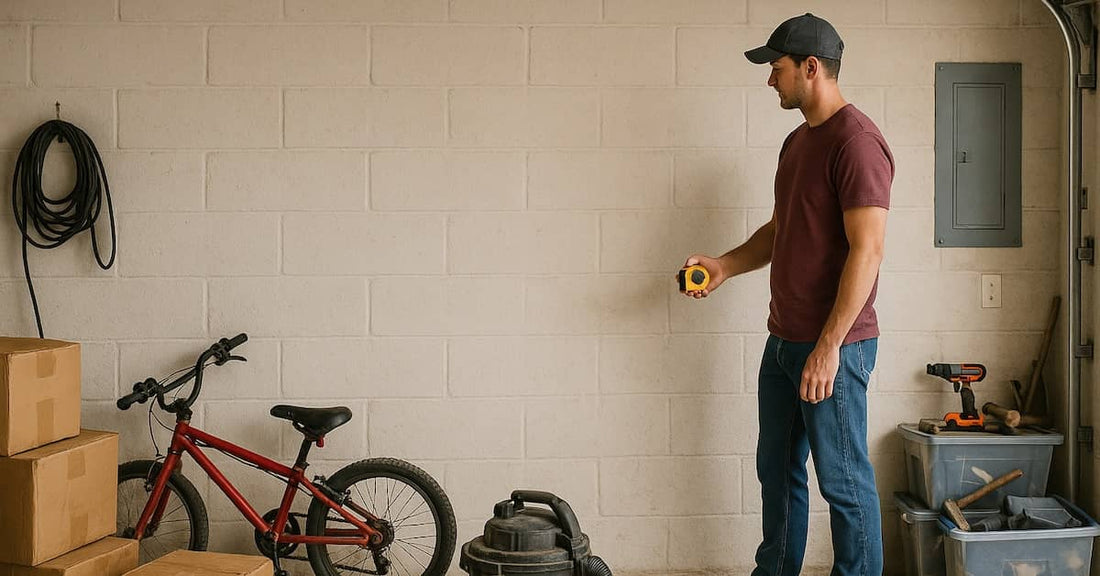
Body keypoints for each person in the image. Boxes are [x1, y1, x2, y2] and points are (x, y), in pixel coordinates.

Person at [678, 13, 893, 576]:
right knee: (776, 473)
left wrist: (828, 348)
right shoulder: (798, 142)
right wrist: (725, 265)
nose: (770, 80)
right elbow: (781, 231)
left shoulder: (858, 143)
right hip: (783, 344)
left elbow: (866, 252)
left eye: (777, 69)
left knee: (844, 486)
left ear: (811, 67)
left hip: (834, 349)